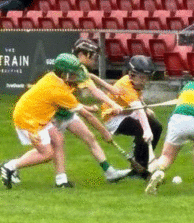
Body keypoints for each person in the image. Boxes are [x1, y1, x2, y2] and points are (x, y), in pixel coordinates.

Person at [18, 38, 130, 184]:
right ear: (82, 55)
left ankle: (109, 173)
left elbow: (90, 79)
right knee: (54, 147)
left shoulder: (77, 69)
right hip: (54, 114)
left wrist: (110, 89)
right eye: (92, 55)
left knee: (88, 137)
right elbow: (92, 97)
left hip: (67, 110)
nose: (95, 59)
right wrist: (106, 120)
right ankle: (15, 167)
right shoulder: (70, 69)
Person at [1, 54, 87, 188]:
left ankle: (61, 180)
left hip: (36, 115)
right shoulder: (59, 91)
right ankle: (9, 166)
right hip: (28, 119)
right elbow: (82, 111)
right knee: (46, 154)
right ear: (64, 74)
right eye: (73, 73)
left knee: (58, 139)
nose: (76, 75)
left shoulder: (53, 77)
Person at [146, 66, 194, 193]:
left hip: (178, 120)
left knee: (167, 155)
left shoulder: (188, 85)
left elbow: (181, 98)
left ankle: (159, 172)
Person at [100, 55, 163, 179]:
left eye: (146, 78)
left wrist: (146, 108)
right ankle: (137, 169)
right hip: (113, 118)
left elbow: (138, 102)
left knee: (157, 127)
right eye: (141, 77)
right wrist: (146, 130)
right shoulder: (125, 84)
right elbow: (138, 109)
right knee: (142, 130)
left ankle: (142, 164)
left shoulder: (135, 83)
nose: (144, 81)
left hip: (127, 112)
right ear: (131, 74)